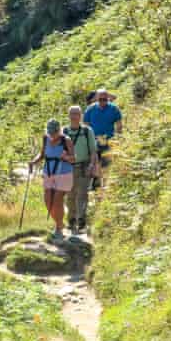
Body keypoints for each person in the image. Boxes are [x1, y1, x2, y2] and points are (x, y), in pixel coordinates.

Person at [30, 119, 75, 241]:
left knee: (57, 200)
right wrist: (33, 162)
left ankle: (59, 227)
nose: (52, 135)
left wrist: (65, 157)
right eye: (50, 132)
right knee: (47, 201)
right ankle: (59, 223)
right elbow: (42, 154)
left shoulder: (66, 141)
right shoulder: (46, 138)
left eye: (54, 132)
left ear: (59, 130)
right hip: (49, 172)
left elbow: (73, 159)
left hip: (64, 173)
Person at [64, 106, 97, 234]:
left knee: (83, 194)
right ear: (69, 115)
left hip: (84, 167)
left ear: (81, 115)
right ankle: (71, 220)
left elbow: (93, 151)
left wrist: (92, 165)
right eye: (72, 114)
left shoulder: (87, 131)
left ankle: (81, 221)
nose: (74, 116)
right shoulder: (64, 131)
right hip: (68, 168)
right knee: (70, 195)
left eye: (77, 114)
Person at [84, 88, 122, 171]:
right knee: (94, 168)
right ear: (96, 99)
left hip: (109, 142)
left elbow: (119, 125)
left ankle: (104, 182)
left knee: (107, 167)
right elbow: (86, 127)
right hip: (93, 142)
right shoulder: (90, 109)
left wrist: (118, 139)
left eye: (104, 99)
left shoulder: (114, 109)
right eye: (100, 99)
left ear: (107, 98)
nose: (102, 102)